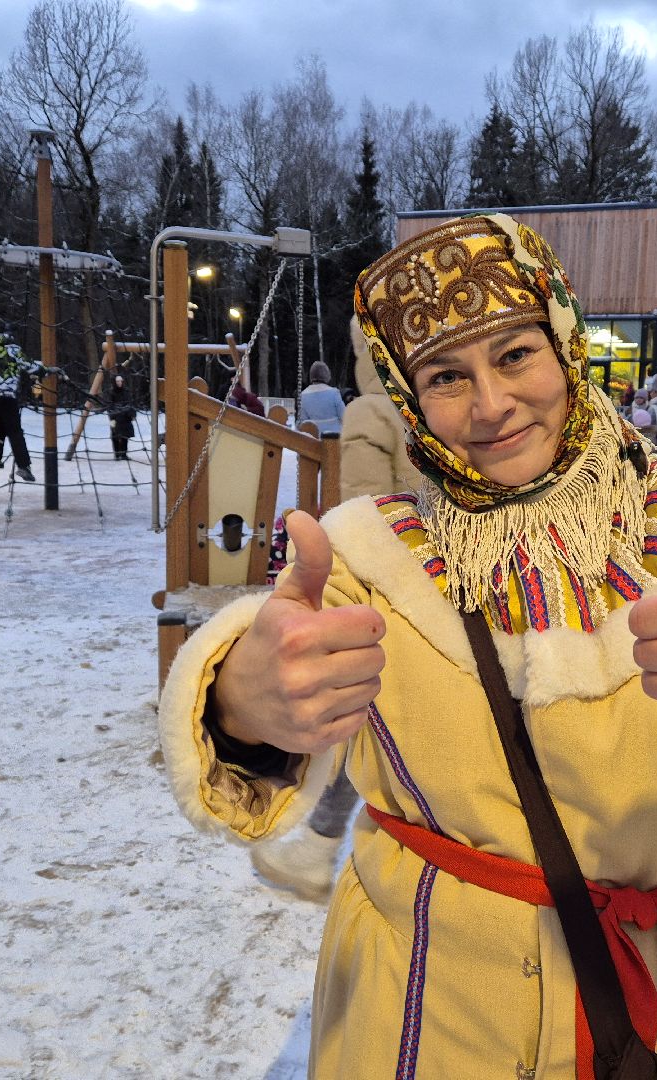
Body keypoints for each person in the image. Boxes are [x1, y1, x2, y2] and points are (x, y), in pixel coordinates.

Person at [159, 215, 657, 1078]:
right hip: (425, 1021)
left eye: (514, 354)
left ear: (567, 340)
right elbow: (253, 717)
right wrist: (242, 701)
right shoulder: (366, 553)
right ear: (406, 398)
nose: (491, 405)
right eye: (444, 376)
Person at [251, 317, 428, 901]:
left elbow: (366, 509)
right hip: (456, 581)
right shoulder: (439, 404)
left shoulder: (373, 413)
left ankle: (319, 845)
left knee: (366, 720)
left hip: (399, 588)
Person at [0, 332, 49, 482]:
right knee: (15, 431)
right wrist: (46, 370)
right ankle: (24, 466)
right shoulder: (13, 350)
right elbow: (31, 366)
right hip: (6, 396)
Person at [298, 360, 346, 435]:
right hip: (334, 438)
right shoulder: (334, 393)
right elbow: (344, 416)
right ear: (327, 375)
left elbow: (303, 421)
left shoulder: (303, 395)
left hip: (314, 438)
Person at [105, 372, 135, 460]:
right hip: (115, 418)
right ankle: (117, 454)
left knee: (125, 436)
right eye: (117, 381)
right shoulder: (111, 393)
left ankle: (123, 454)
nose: (119, 383)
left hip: (126, 418)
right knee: (115, 436)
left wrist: (132, 414)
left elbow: (130, 403)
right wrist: (112, 417)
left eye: (120, 381)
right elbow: (109, 406)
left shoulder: (126, 392)